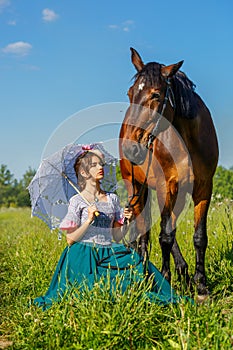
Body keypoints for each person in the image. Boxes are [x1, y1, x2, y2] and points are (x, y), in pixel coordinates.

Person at [33, 147, 181, 310]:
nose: (100, 167)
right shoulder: (76, 201)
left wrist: (127, 221)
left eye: (101, 164)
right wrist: (88, 219)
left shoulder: (112, 198)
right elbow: (70, 240)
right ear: (83, 172)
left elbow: (117, 236)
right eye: (94, 165)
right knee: (93, 289)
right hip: (83, 253)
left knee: (139, 263)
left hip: (109, 250)